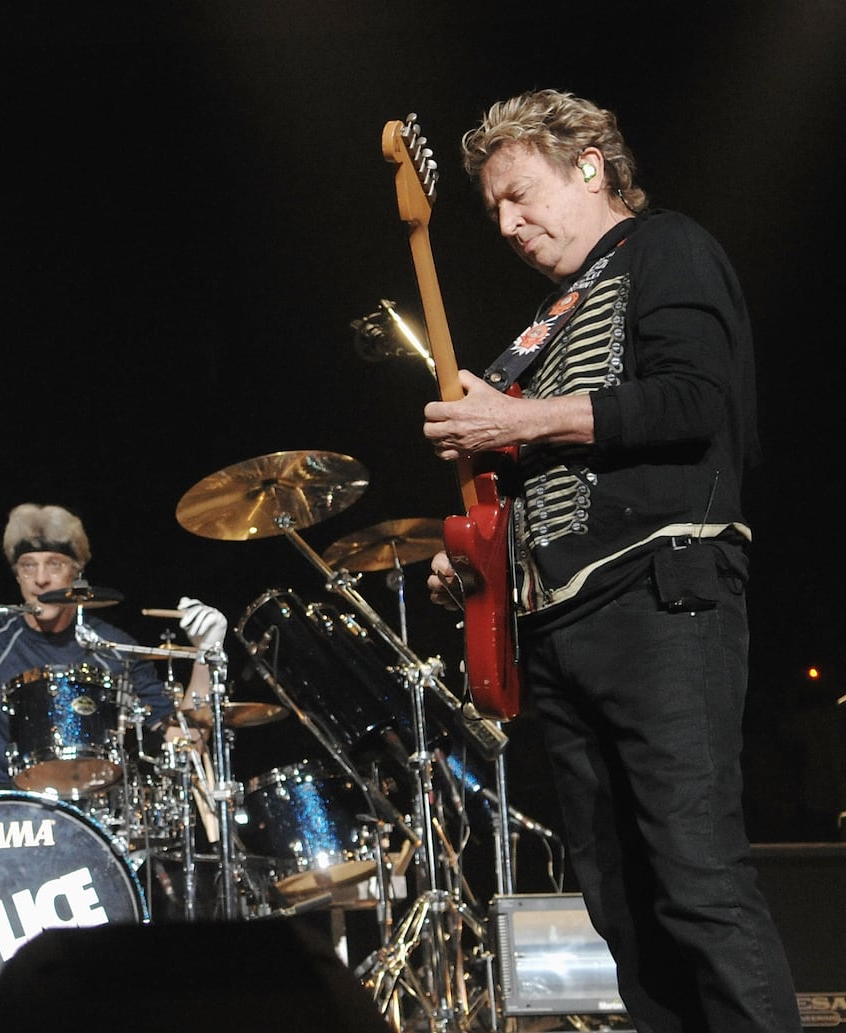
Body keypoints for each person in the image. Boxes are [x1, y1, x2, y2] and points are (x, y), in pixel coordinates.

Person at [422, 89, 800, 1032]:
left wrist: (520, 417)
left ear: (589, 163)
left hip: (661, 597)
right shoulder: (547, 319)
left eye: (519, 194)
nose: (508, 224)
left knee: (698, 878)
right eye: (493, 211)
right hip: (559, 625)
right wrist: (479, 560)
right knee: (621, 907)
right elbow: (545, 478)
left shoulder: (665, 249)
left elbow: (695, 403)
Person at [0, 503, 227, 790]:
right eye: (28, 566)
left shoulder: (115, 648)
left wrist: (206, 657)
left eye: (54, 564)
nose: (40, 579)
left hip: (93, 823)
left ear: (78, 572)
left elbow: (186, 747)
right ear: (16, 575)